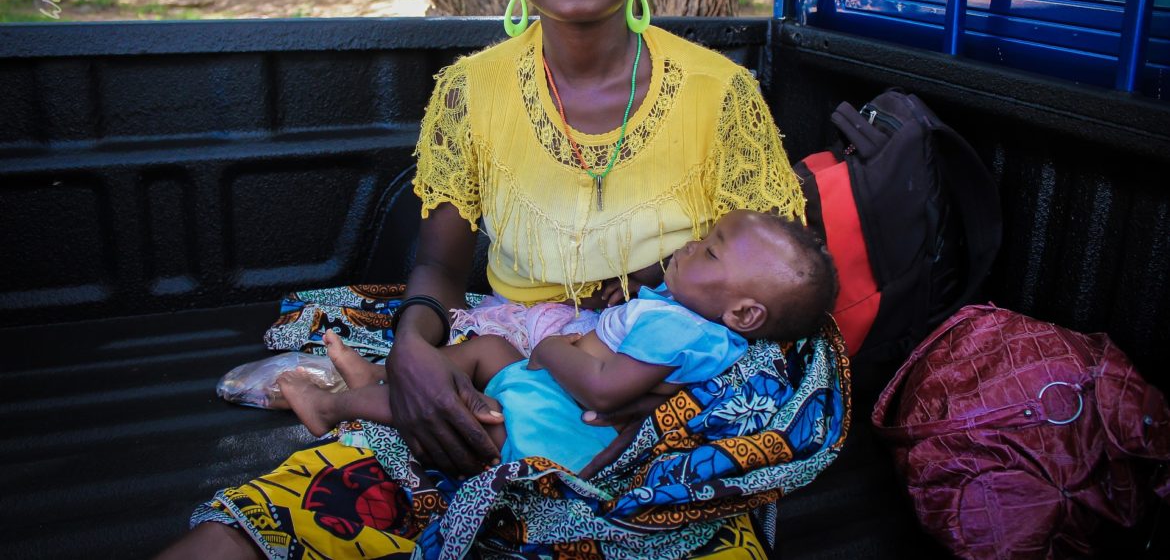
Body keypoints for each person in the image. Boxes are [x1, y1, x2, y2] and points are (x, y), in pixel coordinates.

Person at [163, 0, 809, 559]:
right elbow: (440, 264)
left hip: (659, 405)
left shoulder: (719, 93)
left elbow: (762, 282)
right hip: (510, 362)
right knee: (282, 516)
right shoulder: (472, 90)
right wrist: (411, 348)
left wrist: (664, 387)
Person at [277, 211, 836, 473]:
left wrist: (547, 352)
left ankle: (332, 404)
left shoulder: (679, 329)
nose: (691, 244)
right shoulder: (691, 318)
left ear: (743, 312)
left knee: (469, 409)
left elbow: (603, 394)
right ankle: (383, 378)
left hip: (553, 422)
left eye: (710, 251)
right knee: (488, 352)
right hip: (553, 391)